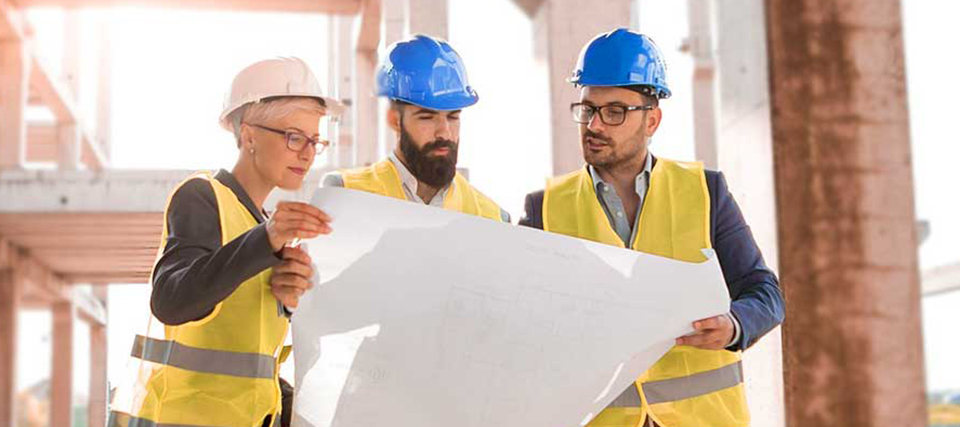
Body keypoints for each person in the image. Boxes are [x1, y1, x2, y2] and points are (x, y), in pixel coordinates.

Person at [519, 28, 785, 427]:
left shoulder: (705, 191)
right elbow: (517, 315)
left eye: (614, 111)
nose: (595, 124)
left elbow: (765, 292)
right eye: (588, 109)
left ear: (652, 120)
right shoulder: (545, 209)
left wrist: (734, 325)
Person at [108, 57, 341, 427]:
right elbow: (172, 300)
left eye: (315, 140)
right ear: (248, 135)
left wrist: (294, 303)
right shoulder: (202, 197)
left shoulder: (265, 230)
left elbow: (249, 370)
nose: (308, 152)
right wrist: (265, 240)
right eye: (295, 137)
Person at [322, 34, 509, 223]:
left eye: (453, 117)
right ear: (394, 120)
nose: (444, 132)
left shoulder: (494, 218)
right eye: (427, 117)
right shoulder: (344, 193)